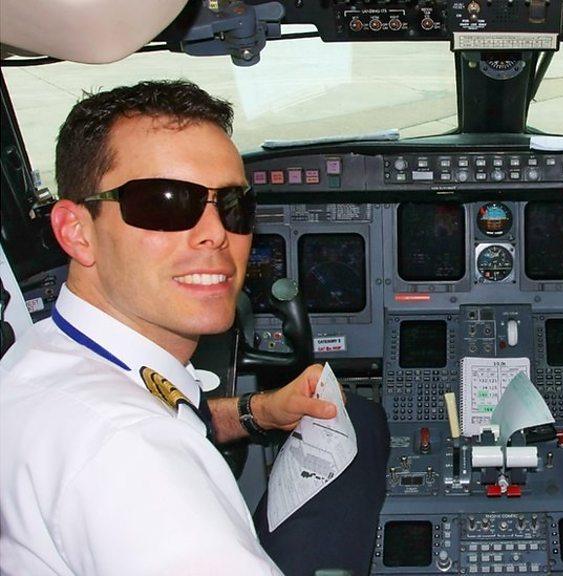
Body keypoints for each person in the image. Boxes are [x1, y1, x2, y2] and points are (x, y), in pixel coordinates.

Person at [0, 80, 388, 576]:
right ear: (77, 231)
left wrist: (257, 412)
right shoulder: (131, 455)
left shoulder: (48, 353)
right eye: (164, 202)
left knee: (354, 413)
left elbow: (169, 404)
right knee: (365, 421)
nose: (214, 233)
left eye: (232, 206)